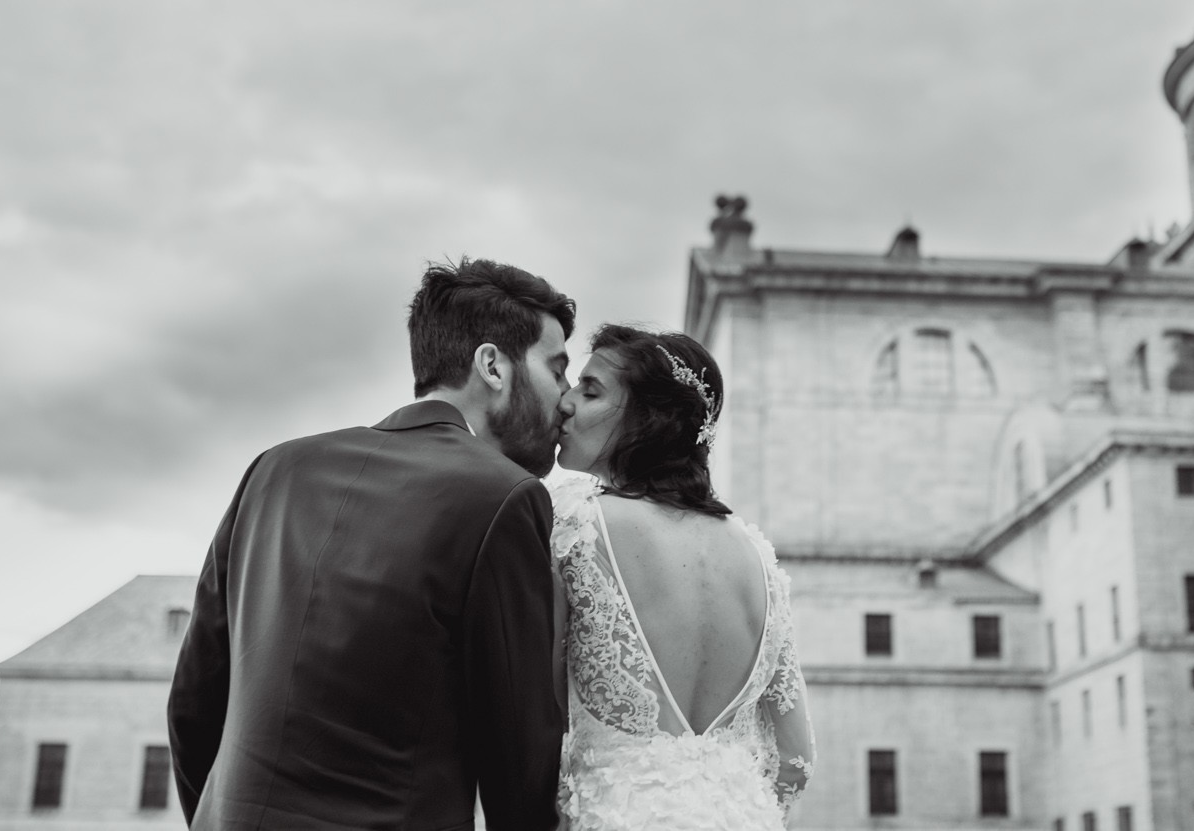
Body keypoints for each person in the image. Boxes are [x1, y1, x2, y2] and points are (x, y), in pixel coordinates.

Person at [168, 258, 574, 831]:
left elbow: (194, 702)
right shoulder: (505, 497)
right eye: (557, 371)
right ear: (493, 366)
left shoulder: (276, 468)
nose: (566, 398)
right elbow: (518, 758)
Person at [550, 325, 814, 831]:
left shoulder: (576, 522)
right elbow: (796, 761)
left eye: (590, 390)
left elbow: (536, 717)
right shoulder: (758, 558)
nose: (565, 403)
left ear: (649, 419)